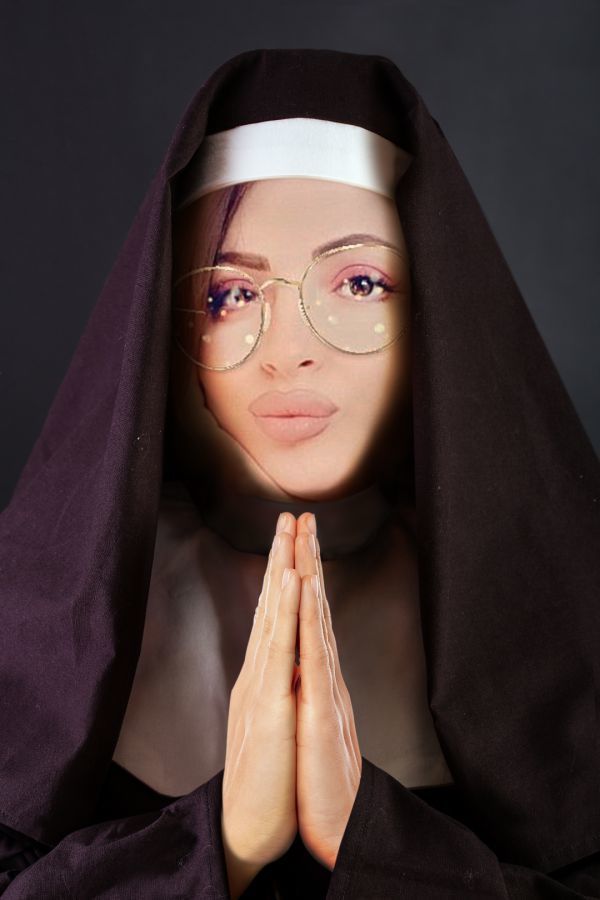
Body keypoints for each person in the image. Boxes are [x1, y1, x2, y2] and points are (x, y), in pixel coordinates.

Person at [1, 47, 599, 899]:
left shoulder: (570, 617)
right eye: (229, 296)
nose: (288, 351)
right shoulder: (41, 618)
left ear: (441, 313)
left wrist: (373, 840)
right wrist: (221, 844)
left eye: (359, 282)